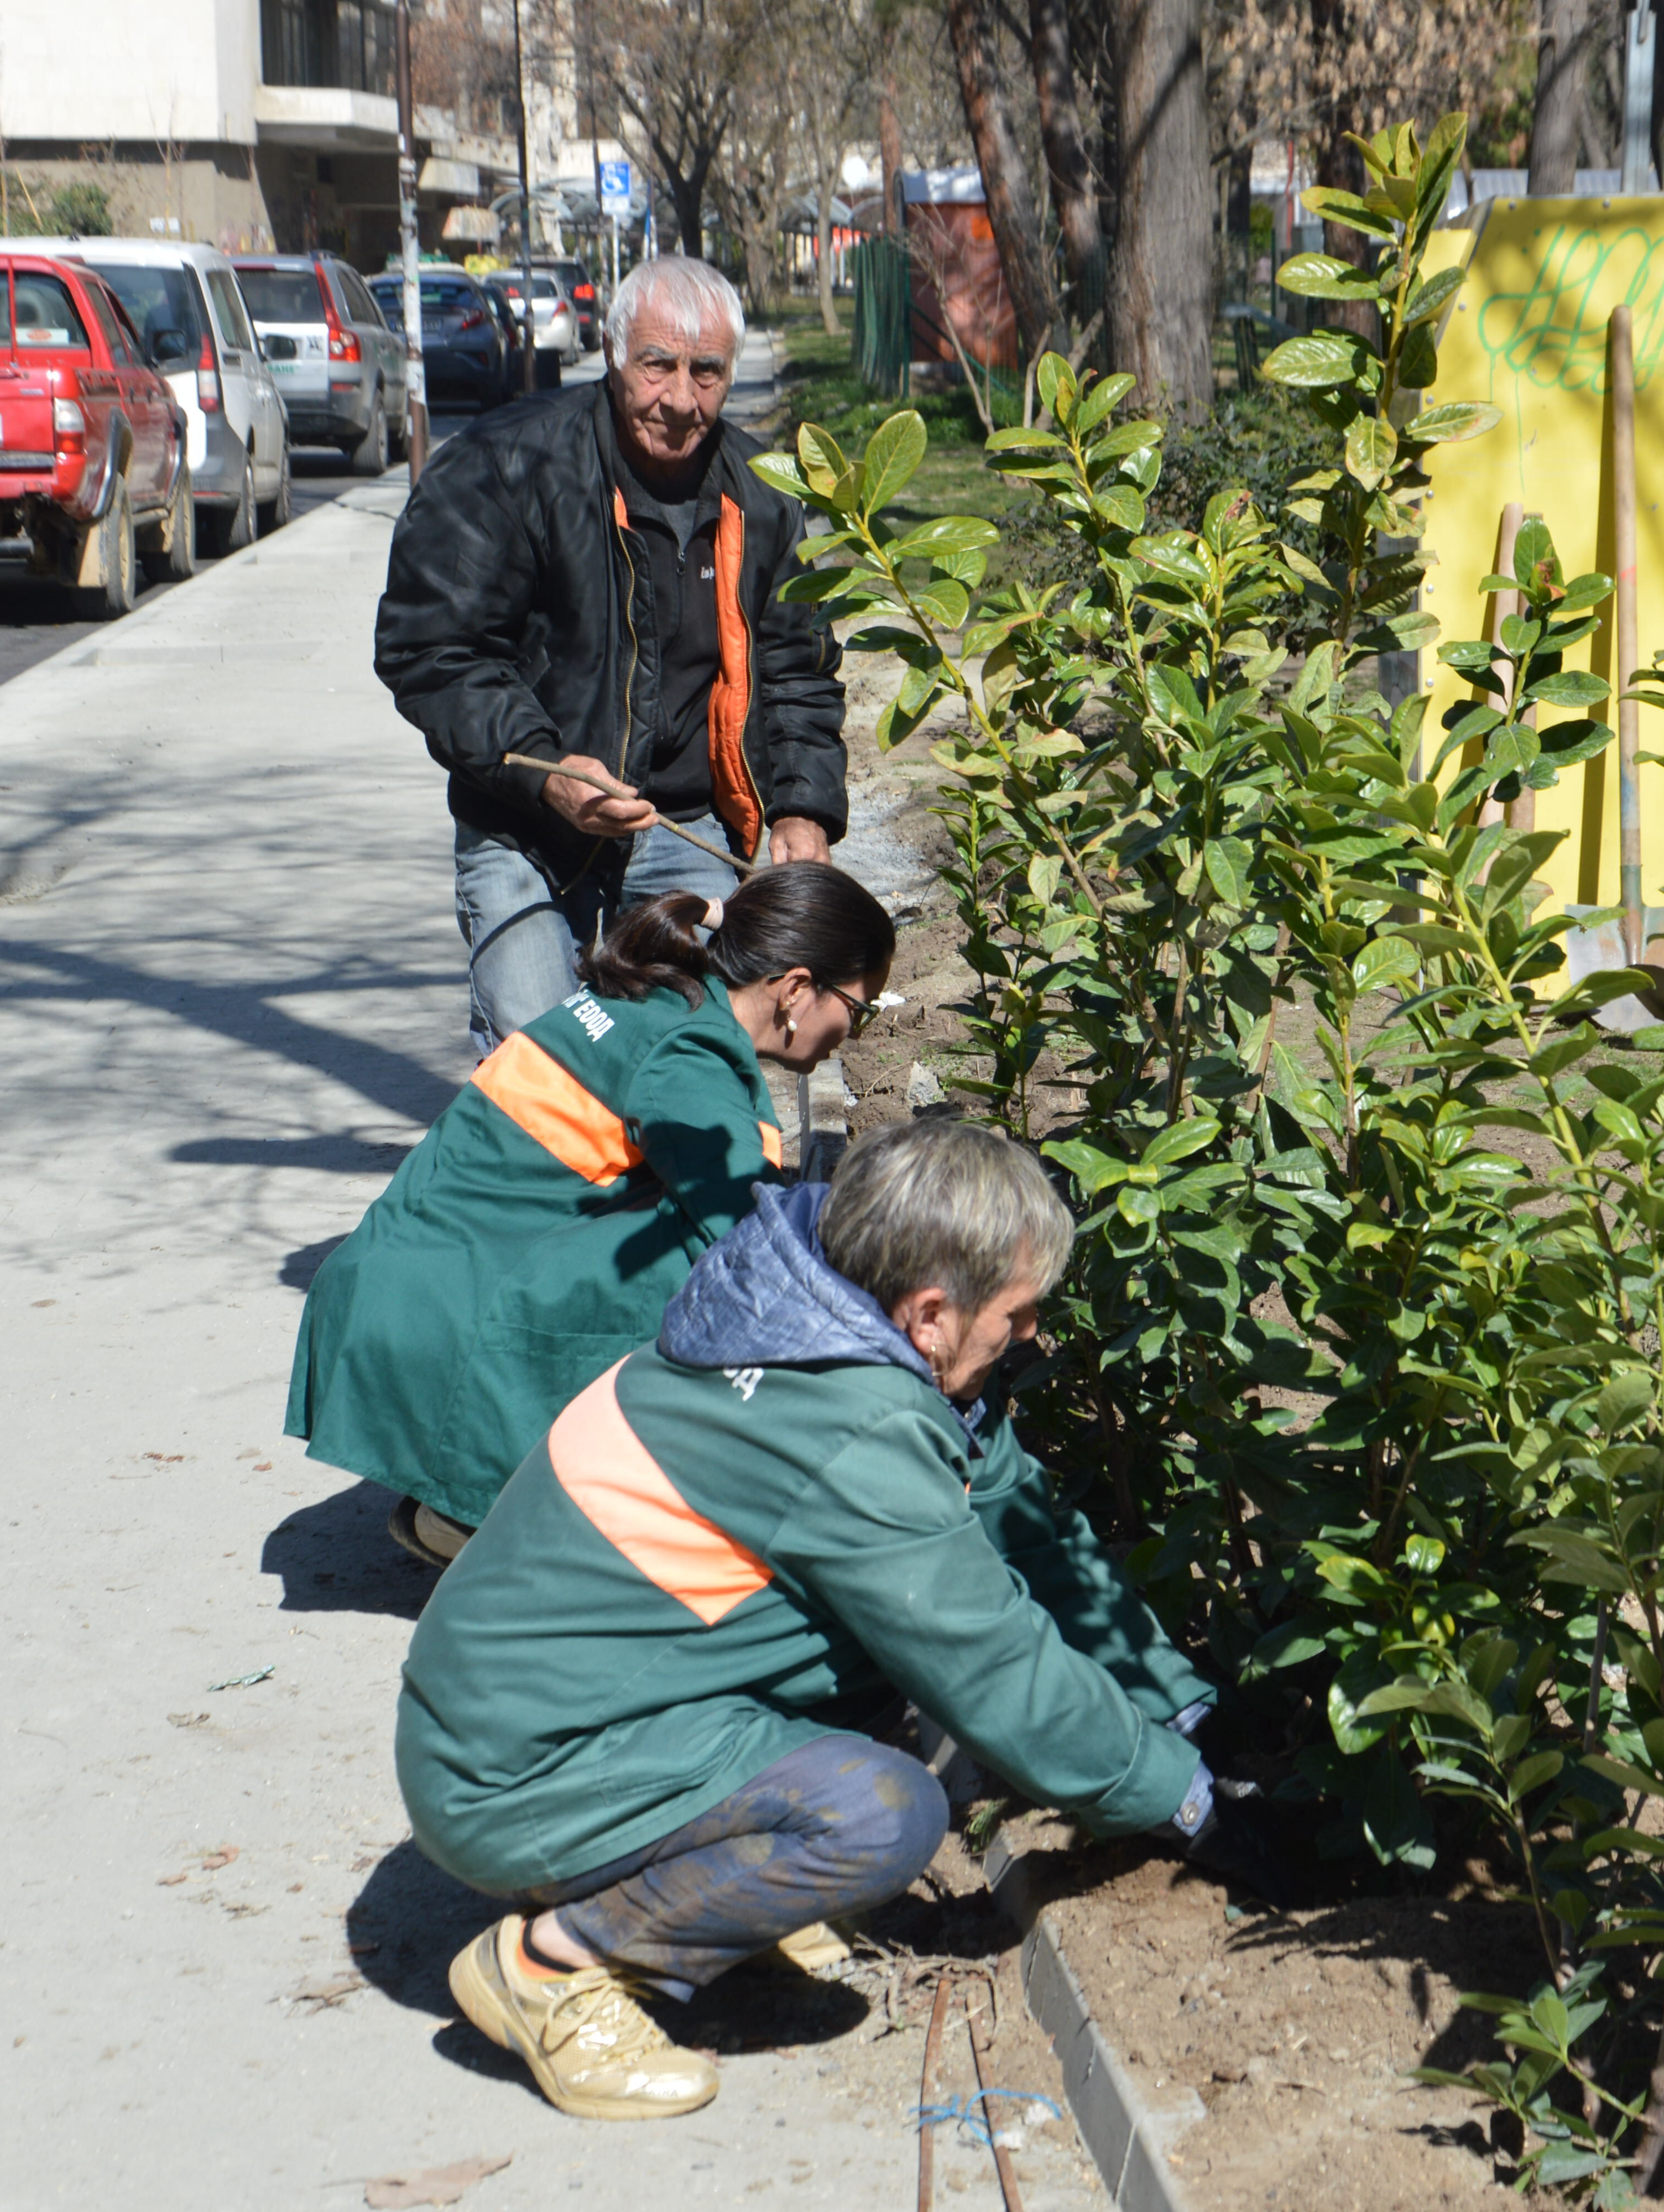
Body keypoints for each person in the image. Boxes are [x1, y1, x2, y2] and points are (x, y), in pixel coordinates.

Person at [398, 1118, 1226, 2122]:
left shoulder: (799, 1310)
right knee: (880, 1813)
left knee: (872, 1680)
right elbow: (993, 1663)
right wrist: (1183, 1802)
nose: (1033, 1334)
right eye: (1018, 1312)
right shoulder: (851, 1429)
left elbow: (1027, 1528)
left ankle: (669, 1884)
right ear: (929, 1313)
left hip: (540, 1703)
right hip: (510, 1770)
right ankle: (554, 1966)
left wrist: (1184, 1716)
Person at [286, 863, 896, 1564]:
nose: (853, 1033)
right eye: (860, 1007)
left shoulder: (663, 1002)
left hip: (401, 1280)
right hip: (436, 1309)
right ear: (795, 988)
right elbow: (743, 1232)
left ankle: (464, 1485)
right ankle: (492, 1508)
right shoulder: (692, 1054)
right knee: (703, 1271)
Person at [376, 253, 847, 1057]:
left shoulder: (766, 493)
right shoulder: (506, 468)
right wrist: (548, 767)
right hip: (527, 829)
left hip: (684, 826)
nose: (680, 399)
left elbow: (798, 664)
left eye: (708, 373)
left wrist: (803, 806)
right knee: (548, 1059)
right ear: (611, 352)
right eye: (657, 365)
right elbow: (432, 649)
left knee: (691, 1057)